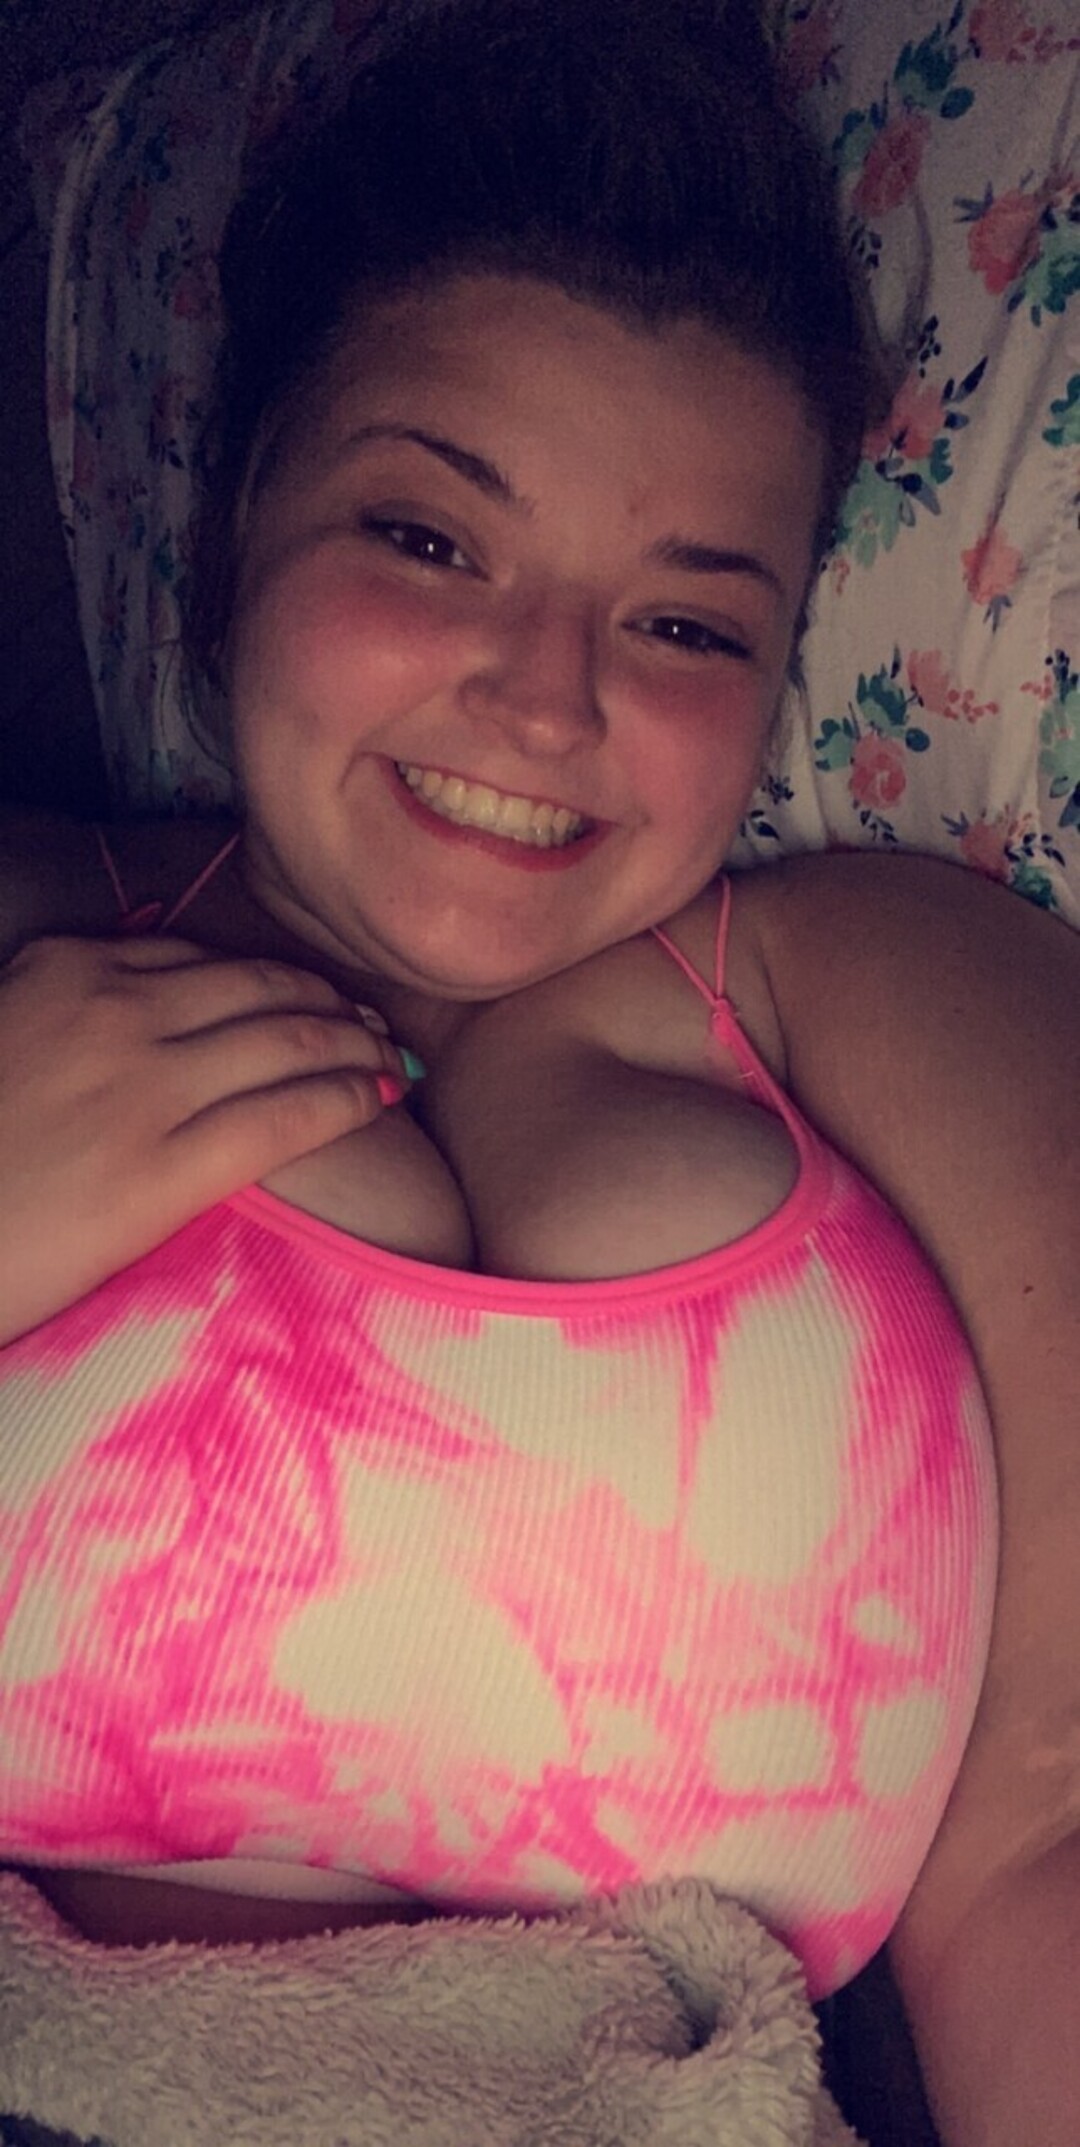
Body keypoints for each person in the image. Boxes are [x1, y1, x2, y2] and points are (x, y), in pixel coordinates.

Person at [0, 1, 1076, 2137]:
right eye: (427, 540)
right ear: (235, 532)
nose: (546, 696)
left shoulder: (912, 992)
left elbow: (1045, 1826)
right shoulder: (26, 917)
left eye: (686, 624)